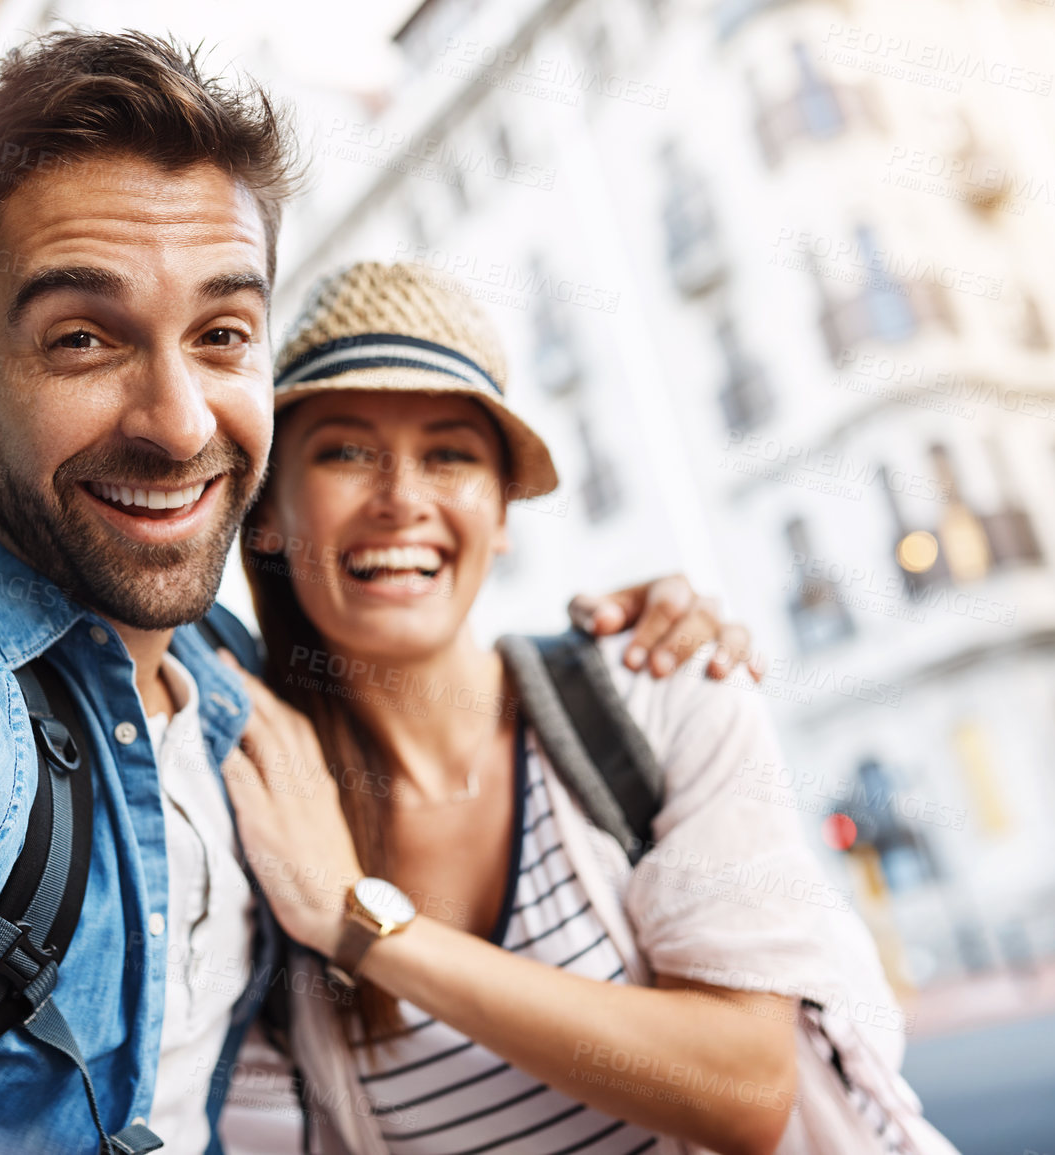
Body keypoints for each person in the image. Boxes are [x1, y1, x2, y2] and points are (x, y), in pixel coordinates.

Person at [0, 31, 761, 1155]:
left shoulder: (236, 682)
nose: (177, 423)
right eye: (83, 339)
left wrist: (664, 620)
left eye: (222, 334)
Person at [218, 263, 960, 1155]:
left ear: (501, 515)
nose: (401, 499)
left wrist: (366, 926)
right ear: (265, 514)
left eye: (449, 454)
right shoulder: (249, 801)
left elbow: (743, 1090)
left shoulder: (659, 687)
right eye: (342, 450)